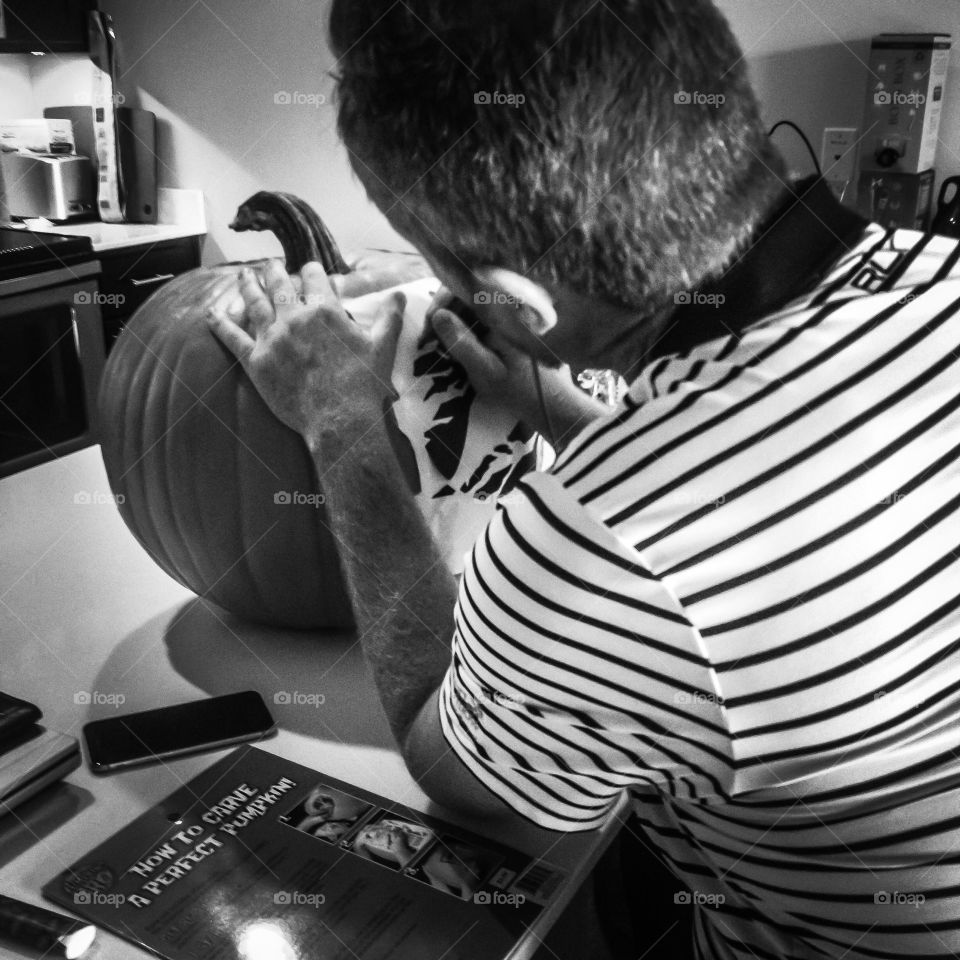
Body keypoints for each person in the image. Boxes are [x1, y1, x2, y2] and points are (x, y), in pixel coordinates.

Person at [206, 2, 960, 957]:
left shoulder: (597, 550)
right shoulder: (940, 272)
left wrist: (344, 426)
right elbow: (768, 500)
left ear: (517, 301)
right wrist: (560, 409)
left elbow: (457, 769)